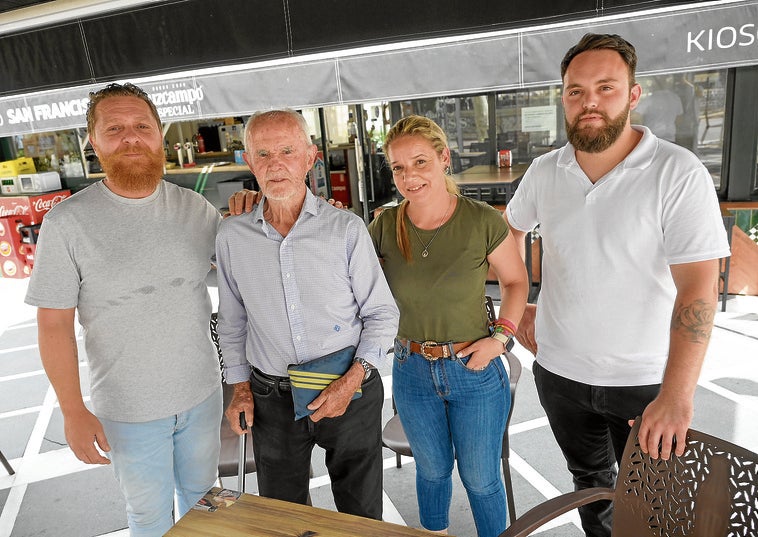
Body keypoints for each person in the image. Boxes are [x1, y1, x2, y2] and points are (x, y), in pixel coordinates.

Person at [505, 33, 730, 537]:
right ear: (563, 97)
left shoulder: (676, 171)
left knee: (654, 502)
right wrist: (517, 306)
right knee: (590, 485)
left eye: (606, 88)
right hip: (560, 374)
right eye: (575, 90)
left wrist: (677, 395)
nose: (589, 102)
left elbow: (698, 287)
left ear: (633, 94)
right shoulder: (545, 171)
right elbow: (508, 234)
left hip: (646, 382)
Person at [24, 83, 223, 536]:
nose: (131, 138)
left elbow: (246, 266)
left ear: (160, 136)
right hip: (128, 409)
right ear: (93, 143)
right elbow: (53, 324)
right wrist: (73, 410)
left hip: (202, 395)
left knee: (205, 507)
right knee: (149, 519)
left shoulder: (196, 209)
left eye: (141, 126)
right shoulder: (67, 223)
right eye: (114, 129)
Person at [216, 109, 399, 520]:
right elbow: (231, 323)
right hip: (270, 399)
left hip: (349, 388)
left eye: (287, 150)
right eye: (262, 153)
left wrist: (351, 381)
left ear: (310, 156)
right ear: (248, 161)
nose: (275, 163)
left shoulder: (346, 228)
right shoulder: (232, 234)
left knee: (361, 514)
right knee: (284, 516)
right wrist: (239, 390)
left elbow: (383, 314)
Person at [368, 115, 529, 537]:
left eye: (420, 162)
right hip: (412, 369)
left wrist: (501, 339)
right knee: (433, 472)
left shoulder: (481, 221)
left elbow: (515, 282)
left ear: (444, 158)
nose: (408, 177)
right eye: (398, 168)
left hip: (474, 369)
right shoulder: (385, 225)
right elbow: (350, 278)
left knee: (481, 479)